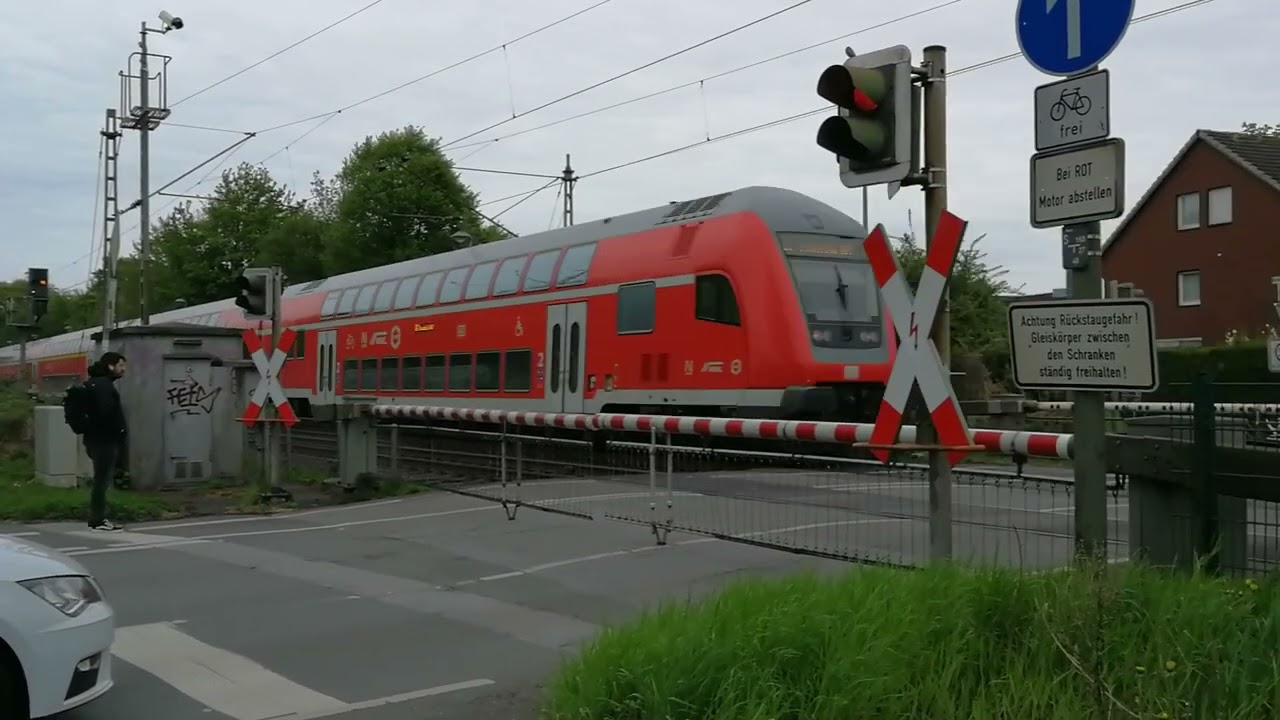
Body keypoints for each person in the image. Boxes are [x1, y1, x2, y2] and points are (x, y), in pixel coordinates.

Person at [83, 352, 128, 532]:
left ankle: (98, 518)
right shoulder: (104, 387)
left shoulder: (96, 383)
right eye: (121, 365)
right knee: (101, 481)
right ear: (111, 366)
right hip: (104, 442)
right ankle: (98, 519)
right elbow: (106, 414)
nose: (124, 369)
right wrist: (119, 430)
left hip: (95, 440)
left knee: (101, 480)